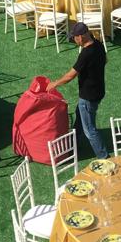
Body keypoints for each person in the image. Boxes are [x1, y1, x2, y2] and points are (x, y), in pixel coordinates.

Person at [47, 21, 108, 159]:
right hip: (98, 91)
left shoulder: (86, 54)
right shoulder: (98, 44)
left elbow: (70, 75)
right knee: (80, 116)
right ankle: (73, 145)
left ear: (81, 36)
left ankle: (104, 157)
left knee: (90, 130)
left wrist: (55, 83)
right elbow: (106, 60)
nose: (74, 40)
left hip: (88, 96)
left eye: (74, 37)